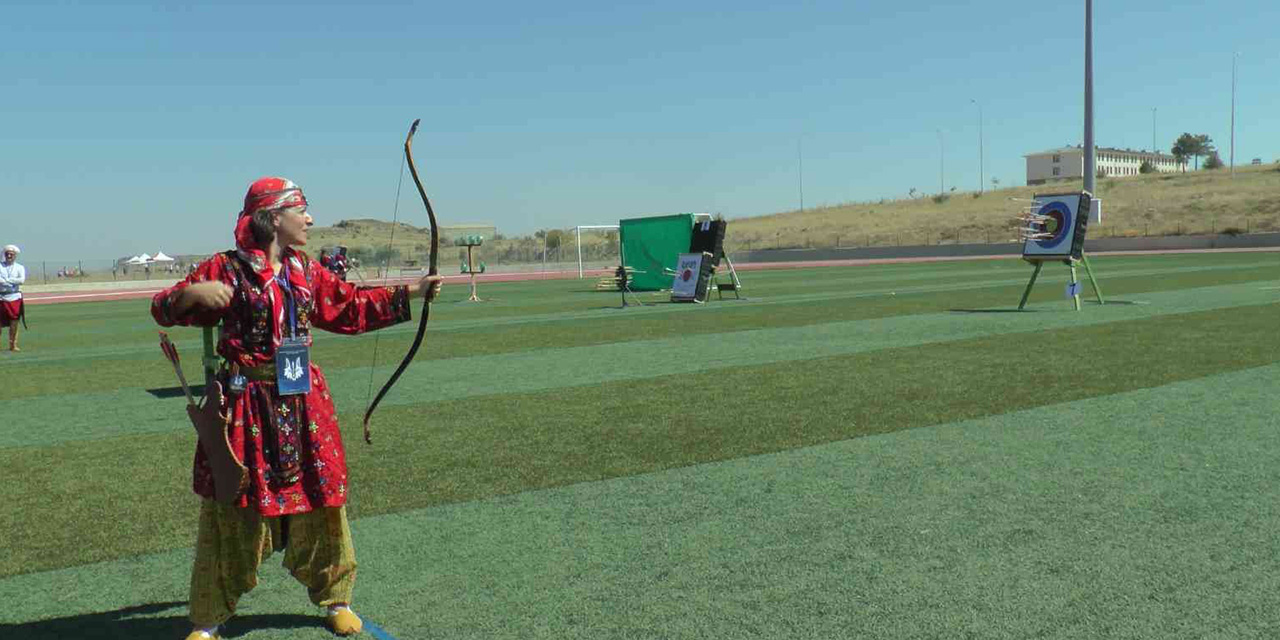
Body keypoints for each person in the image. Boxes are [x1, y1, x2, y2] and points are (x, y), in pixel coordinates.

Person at [151, 177, 443, 640]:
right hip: (244, 405)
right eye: (301, 210)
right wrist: (190, 296)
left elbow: (348, 307)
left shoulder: (305, 269)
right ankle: (207, 620)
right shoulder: (224, 269)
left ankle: (337, 599)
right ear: (273, 218)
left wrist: (412, 294)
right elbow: (163, 309)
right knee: (233, 504)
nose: (309, 219)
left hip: (304, 404)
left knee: (324, 500)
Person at [0, 245, 25, 351]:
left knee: (14, 321)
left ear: (15, 256)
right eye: (7, 254)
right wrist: (12, 281)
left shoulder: (20, 267)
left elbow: (21, 280)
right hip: (1, 297)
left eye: (11, 254)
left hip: (14, 297)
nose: (9, 256)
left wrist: (7, 281)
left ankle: (13, 344)